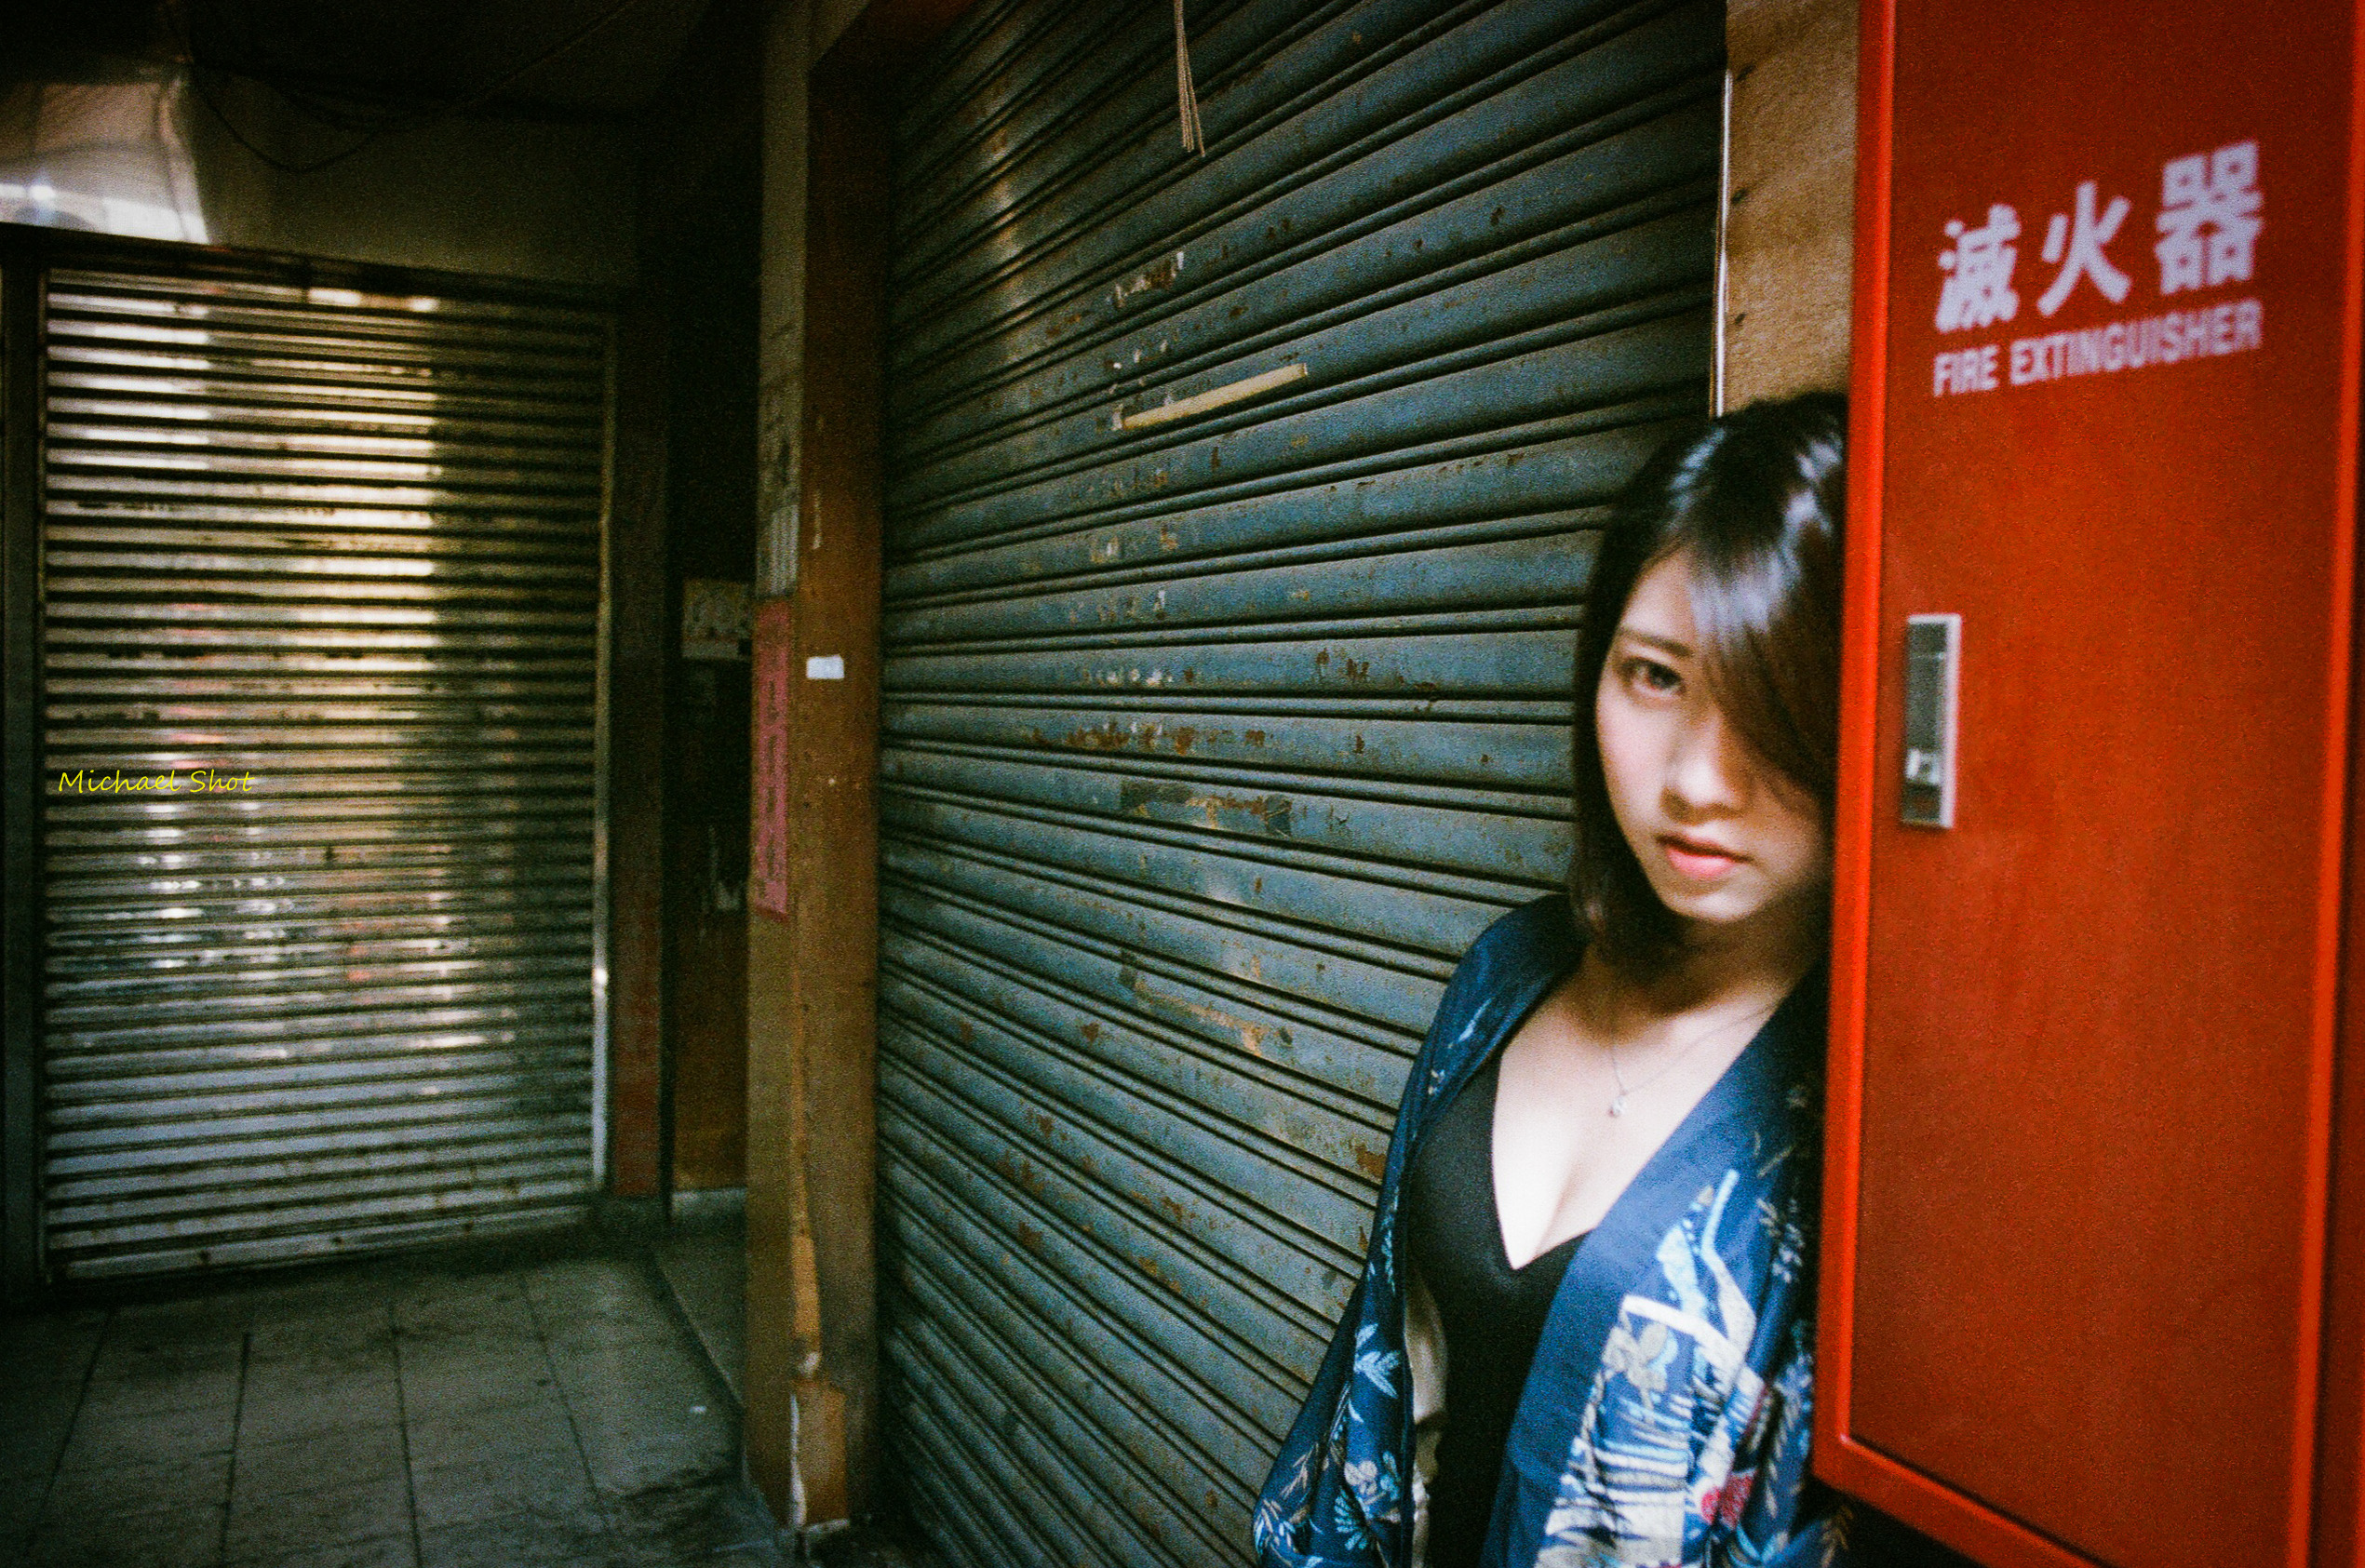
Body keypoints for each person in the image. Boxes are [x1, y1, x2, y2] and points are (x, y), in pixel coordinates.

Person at [1254, 393, 1864, 1568]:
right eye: (1656, 677)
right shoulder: (1509, 973)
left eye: (1777, 696)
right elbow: (1378, 1396)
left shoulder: (1864, 1112)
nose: (1696, 778)